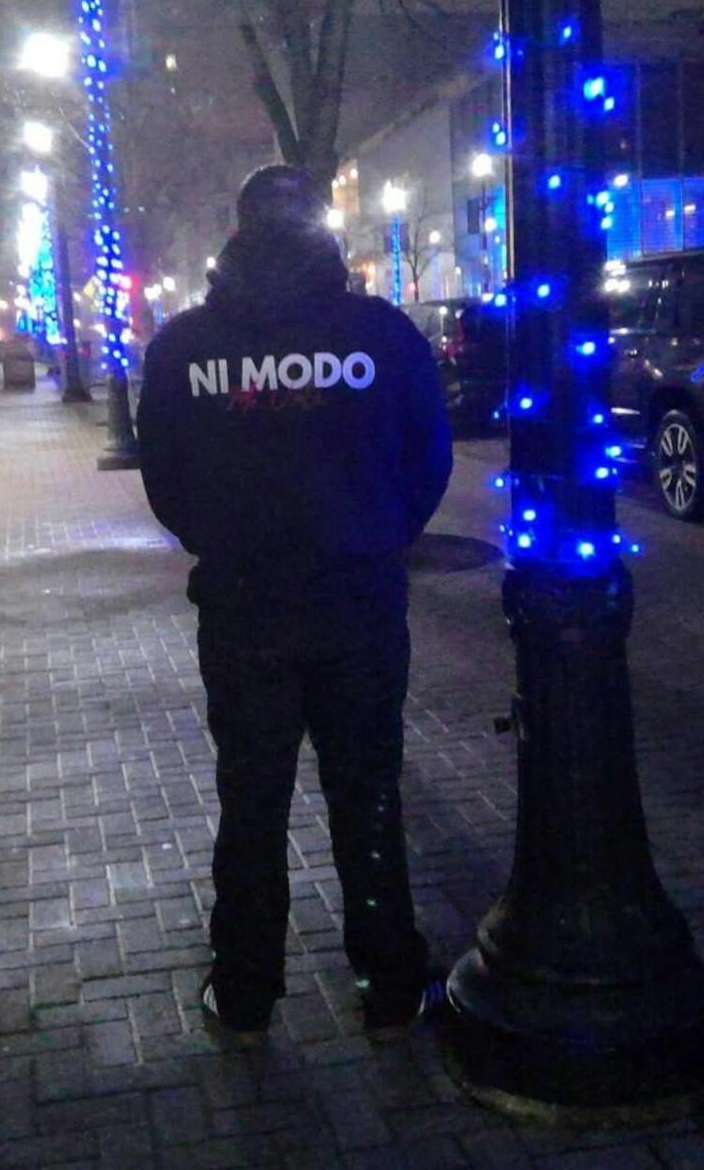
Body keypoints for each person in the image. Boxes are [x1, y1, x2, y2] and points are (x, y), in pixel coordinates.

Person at [136, 165, 453, 1044]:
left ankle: (244, 992)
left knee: (251, 800)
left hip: (243, 609)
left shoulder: (185, 346)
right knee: (368, 793)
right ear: (323, 229)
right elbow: (429, 457)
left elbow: (164, 475)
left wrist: (226, 539)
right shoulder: (380, 335)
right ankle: (389, 983)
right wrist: (377, 533)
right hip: (358, 602)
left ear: (238, 230)